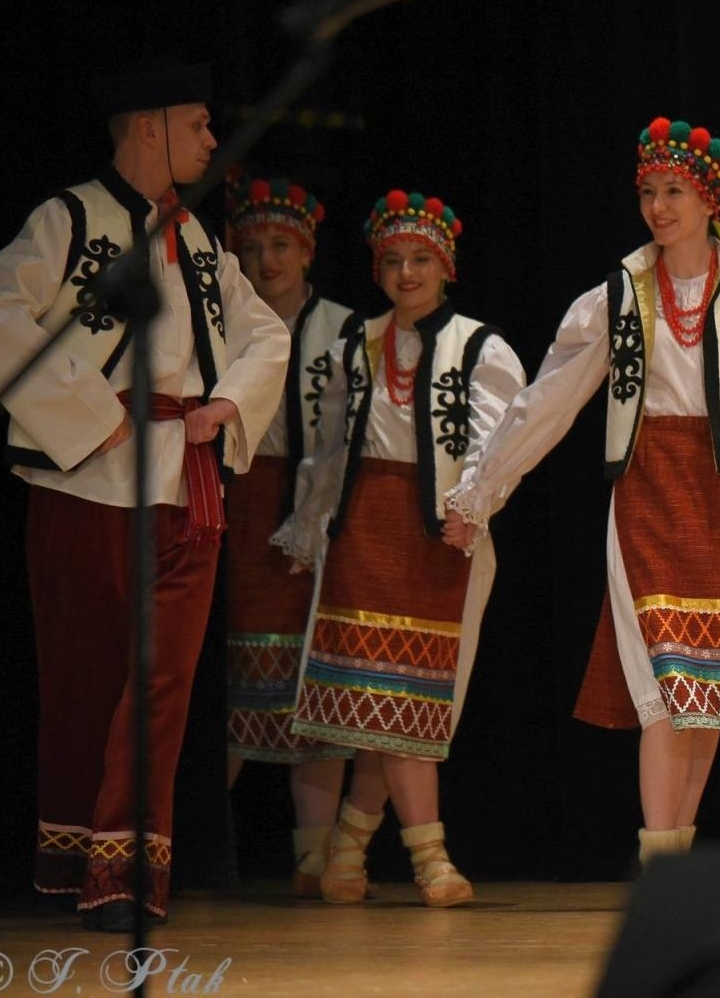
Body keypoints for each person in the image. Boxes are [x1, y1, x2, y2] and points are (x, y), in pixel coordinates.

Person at [444, 118, 720, 866]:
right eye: (649, 192)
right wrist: (481, 490)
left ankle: (674, 861)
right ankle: (659, 861)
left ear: (711, 199)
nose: (658, 206)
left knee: (712, 692)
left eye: (674, 191)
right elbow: (548, 400)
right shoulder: (618, 297)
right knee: (669, 684)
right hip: (652, 492)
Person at [0, 60, 290, 931]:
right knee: (83, 679)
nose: (213, 140)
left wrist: (229, 404)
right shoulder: (68, 220)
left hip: (185, 485)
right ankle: (76, 860)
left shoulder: (199, 240)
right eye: (197, 123)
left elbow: (265, 333)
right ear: (149, 125)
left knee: (164, 681)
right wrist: (88, 413)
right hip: (84, 482)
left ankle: (126, 872)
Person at [273, 190, 525, 907]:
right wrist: (308, 526)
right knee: (373, 702)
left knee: (408, 701)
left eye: (420, 259)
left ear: (447, 267)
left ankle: (360, 850)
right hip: (362, 532)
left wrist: (474, 506)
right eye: (393, 261)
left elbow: (503, 440)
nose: (406, 273)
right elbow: (327, 449)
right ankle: (420, 857)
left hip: (437, 535)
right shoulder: (356, 343)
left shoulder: (479, 346)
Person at [221, 175, 358, 896]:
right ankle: (189, 849)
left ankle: (314, 857)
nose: (266, 260)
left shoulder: (342, 328)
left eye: (280, 245)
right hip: (239, 506)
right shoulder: (221, 324)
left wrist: (319, 514)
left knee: (316, 692)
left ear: (307, 253)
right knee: (233, 685)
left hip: (319, 511)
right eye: (252, 248)